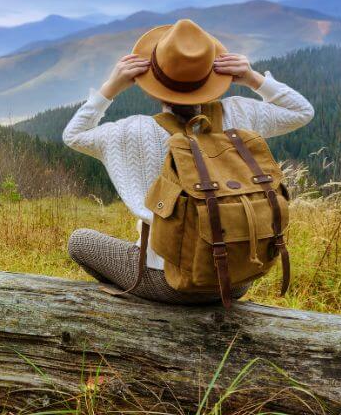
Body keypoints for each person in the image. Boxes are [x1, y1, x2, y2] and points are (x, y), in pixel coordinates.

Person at [62, 19, 314, 304]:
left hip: (167, 282)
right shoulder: (240, 115)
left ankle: (146, 307)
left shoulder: (133, 131)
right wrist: (252, 78)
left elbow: (74, 134)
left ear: (149, 84)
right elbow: (301, 111)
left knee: (80, 241)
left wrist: (111, 87)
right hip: (235, 279)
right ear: (212, 78)